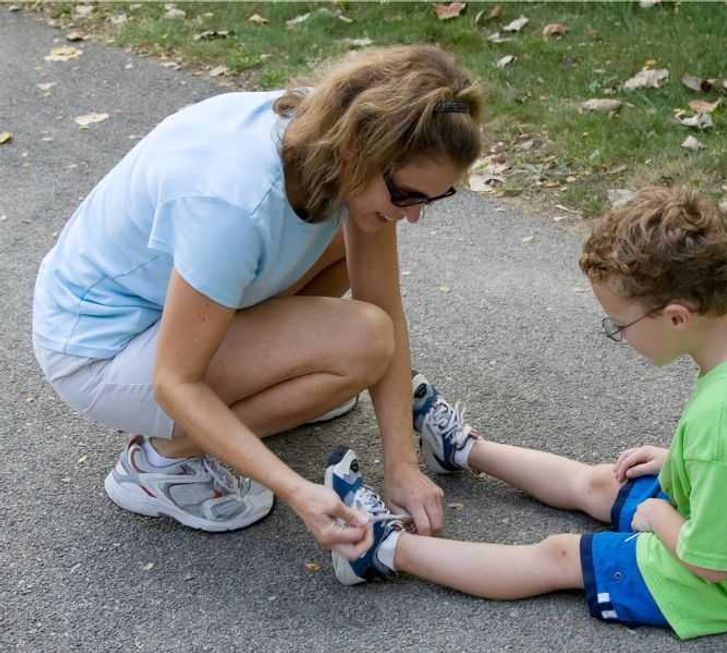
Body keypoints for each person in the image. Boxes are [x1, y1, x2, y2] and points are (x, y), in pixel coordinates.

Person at [327, 186, 727, 640]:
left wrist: (655, 516)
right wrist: (680, 459)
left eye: (618, 324)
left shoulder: (725, 423)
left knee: (557, 555)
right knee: (604, 483)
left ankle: (380, 548)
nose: (618, 337)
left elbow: (710, 564)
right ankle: (464, 450)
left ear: (675, 316)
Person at [31, 45, 483, 556]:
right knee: (362, 342)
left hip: (168, 308)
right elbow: (175, 381)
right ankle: (159, 464)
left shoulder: (338, 131)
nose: (414, 215)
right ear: (363, 152)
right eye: (407, 196)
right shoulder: (233, 201)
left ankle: (277, 382)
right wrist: (297, 490)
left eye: (432, 198)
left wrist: (403, 464)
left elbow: (384, 304)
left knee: (362, 295)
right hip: (96, 352)